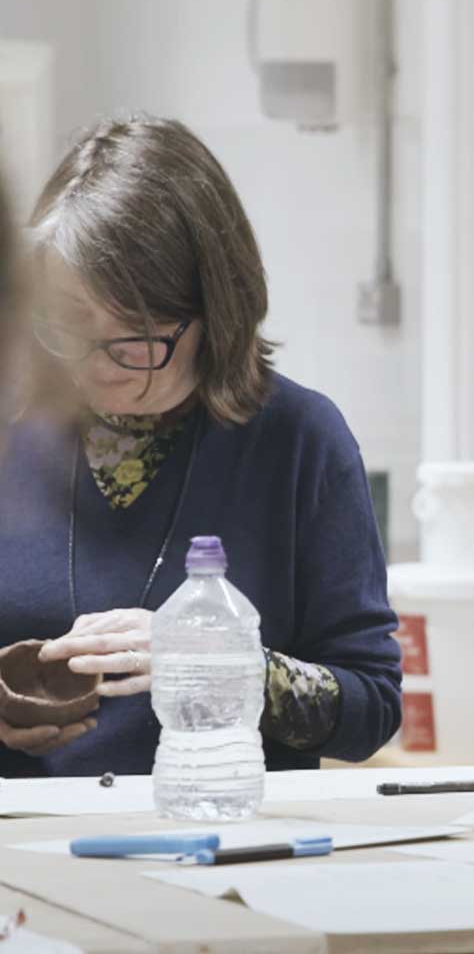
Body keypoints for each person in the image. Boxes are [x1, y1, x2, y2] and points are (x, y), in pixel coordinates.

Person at [0, 116, 402, 775]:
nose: (93, 367)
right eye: (66, 326)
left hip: (223, 837)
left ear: (216, 315)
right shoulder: (11, 429)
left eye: (134, 339)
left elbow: (370, 713)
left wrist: (227, 667)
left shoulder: (300, 442)